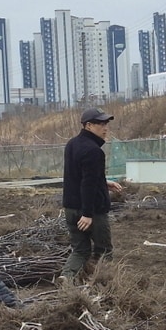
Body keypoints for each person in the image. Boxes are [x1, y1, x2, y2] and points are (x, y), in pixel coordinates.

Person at [62, 107, 123, 282]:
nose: (105, 127)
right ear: (88, 126)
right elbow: (87, 184)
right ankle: (106, 284)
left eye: (106, 123)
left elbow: (79, 176)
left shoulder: (72, 144)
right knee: (104, 251)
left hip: (71, 209)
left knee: (80, 250)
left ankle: (66, 279)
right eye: (101, 124)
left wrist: (104, 183)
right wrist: (88, 214)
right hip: (92, 212)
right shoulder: (94, 151)